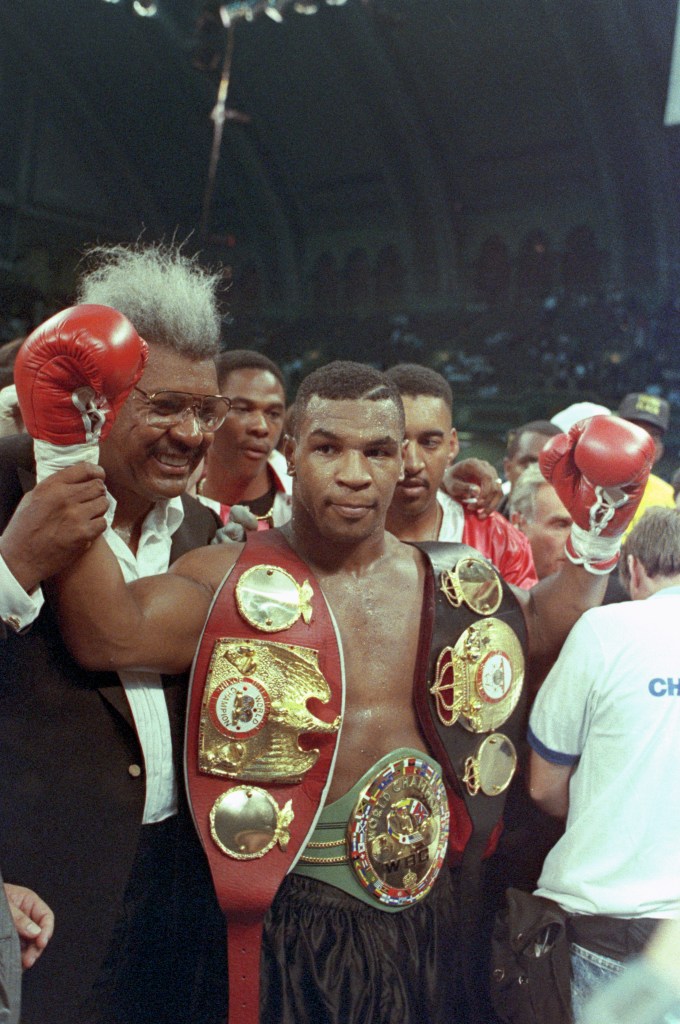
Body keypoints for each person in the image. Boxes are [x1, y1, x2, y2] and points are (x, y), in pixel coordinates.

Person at [32, 329, 652, 1023]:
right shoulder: (228, 580)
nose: (355, 474)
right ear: (290, 451)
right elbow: (106, 632)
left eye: (378, 452)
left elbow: (537, 629)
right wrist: (62, 448)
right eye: (328, 448)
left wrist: (599, 535)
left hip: (434, 913)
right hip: (288, 917)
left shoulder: (452, 583)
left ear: (404, 461)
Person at [0, 243, 230, 1024]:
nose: (192, 433)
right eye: (165, 405)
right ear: (95, 395)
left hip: (175, 891)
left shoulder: (201, 525)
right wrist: (14, 564)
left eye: (205, 409)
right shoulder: (4, 482)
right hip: (31, 887)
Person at [528, 506, 680, 1022]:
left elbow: (544, 788)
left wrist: (612, 806)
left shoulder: (604, 629)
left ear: (632, 570)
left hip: (610, 921)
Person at [384, 363, 538, 587]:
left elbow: (528, 619)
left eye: (429, 443)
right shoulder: (339, 532)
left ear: (452, 445)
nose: (413, 463)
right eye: (399, 442)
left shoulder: (499, 540)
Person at [197, 349, 291, 527]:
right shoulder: (173, 506)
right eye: (243, 409)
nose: (261, 427)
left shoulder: (307, 502)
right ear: (208, 415)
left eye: (273, 413)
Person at [617, 392, 675, 532]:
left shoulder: (666, 496)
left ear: (659, 449)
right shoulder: (586, 481)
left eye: (651, 437)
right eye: (633, 431)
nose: (640, 443)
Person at [509, 464, 573, 579]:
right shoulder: (487, 591)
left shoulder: (611, 594)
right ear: (518, 524)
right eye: (561, 525)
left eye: (584, 528)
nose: (579, 541)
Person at [497, 419, 561, 517]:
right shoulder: (480, 522)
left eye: (551, 466)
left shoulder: (582, 528)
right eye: (530, 465)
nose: (538, 475)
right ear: (508, 469)